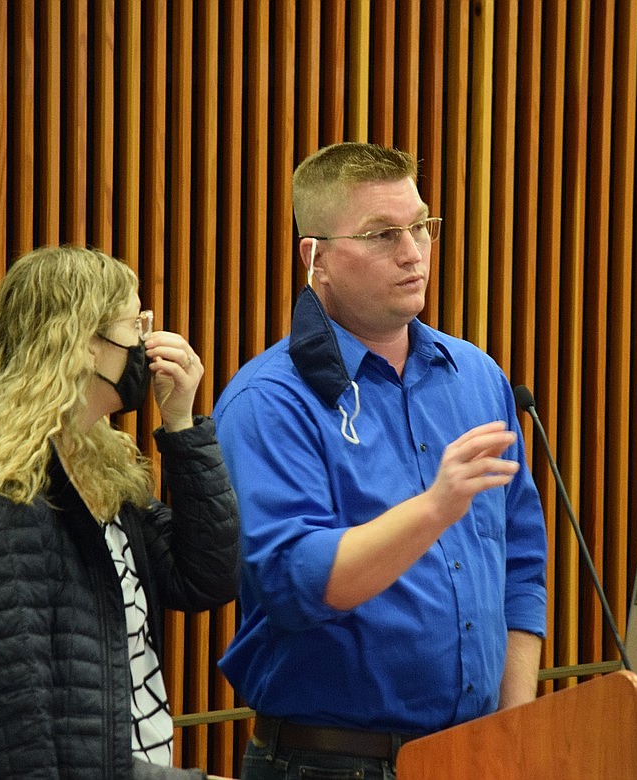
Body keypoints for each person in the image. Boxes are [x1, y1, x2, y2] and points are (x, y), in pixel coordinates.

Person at [213, 142, 549, 779]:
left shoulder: (476, 377)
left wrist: (513, 733)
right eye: (381, 234)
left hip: (474, 755)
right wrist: (434, 508)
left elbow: (521, 566)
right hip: (330, 763)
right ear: (316, 257)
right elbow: (298, 584)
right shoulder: (268, 402)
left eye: (420, 225)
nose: (412, 251)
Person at [0, 245, 239, 779]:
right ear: (87, 343)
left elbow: (206, 577)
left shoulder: (100, 462)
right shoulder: (4, 482)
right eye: (136, 323)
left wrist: (182, 427)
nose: (147, 341)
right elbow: (12, 715)